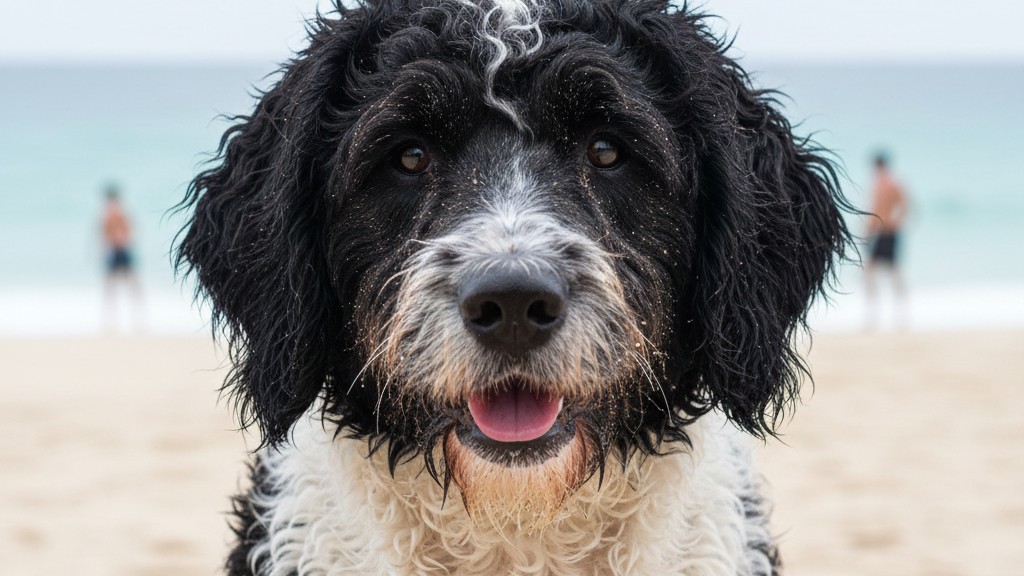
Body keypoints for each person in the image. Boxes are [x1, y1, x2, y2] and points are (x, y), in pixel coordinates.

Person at [864, 153, 910, 330]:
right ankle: (873, 315)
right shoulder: (878, 184)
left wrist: (894, 223)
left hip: (887, 232)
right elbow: (874, 211)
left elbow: (905, 206)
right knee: (871, 272)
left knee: (893, 272)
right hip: (877, 232)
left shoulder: (891, 184)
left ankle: (901, 316)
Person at [101, 184, 143, 332]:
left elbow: (129, 231)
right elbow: (104, 235)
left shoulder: (119, 214)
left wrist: (121, 240)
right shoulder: (107, 215)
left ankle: (138, 321)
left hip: (122, 251)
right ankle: (111, 323)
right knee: (111, 288)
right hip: (114, 251)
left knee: (133, 286)